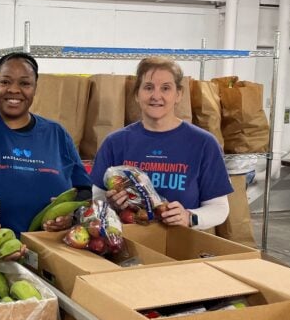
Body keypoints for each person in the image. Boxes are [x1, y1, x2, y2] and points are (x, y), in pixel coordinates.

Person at [0, 52, 91, 257]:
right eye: (5, 81)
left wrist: (72, 216)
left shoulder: (57, 134)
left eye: (25, 83)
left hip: (55, 253)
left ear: (35, 88)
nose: (14, 90)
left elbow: (84, 191)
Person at [92, 56, 232, 229]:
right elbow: (97, 198)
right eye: (148, 87)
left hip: (180, 248)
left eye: (166, 88)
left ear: (178, 94)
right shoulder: (115, 142)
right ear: (137, 94)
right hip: (127, 244)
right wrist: (110, 204)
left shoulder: (203, 143)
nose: (156, 96)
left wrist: (190, 217)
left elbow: (219, 208)